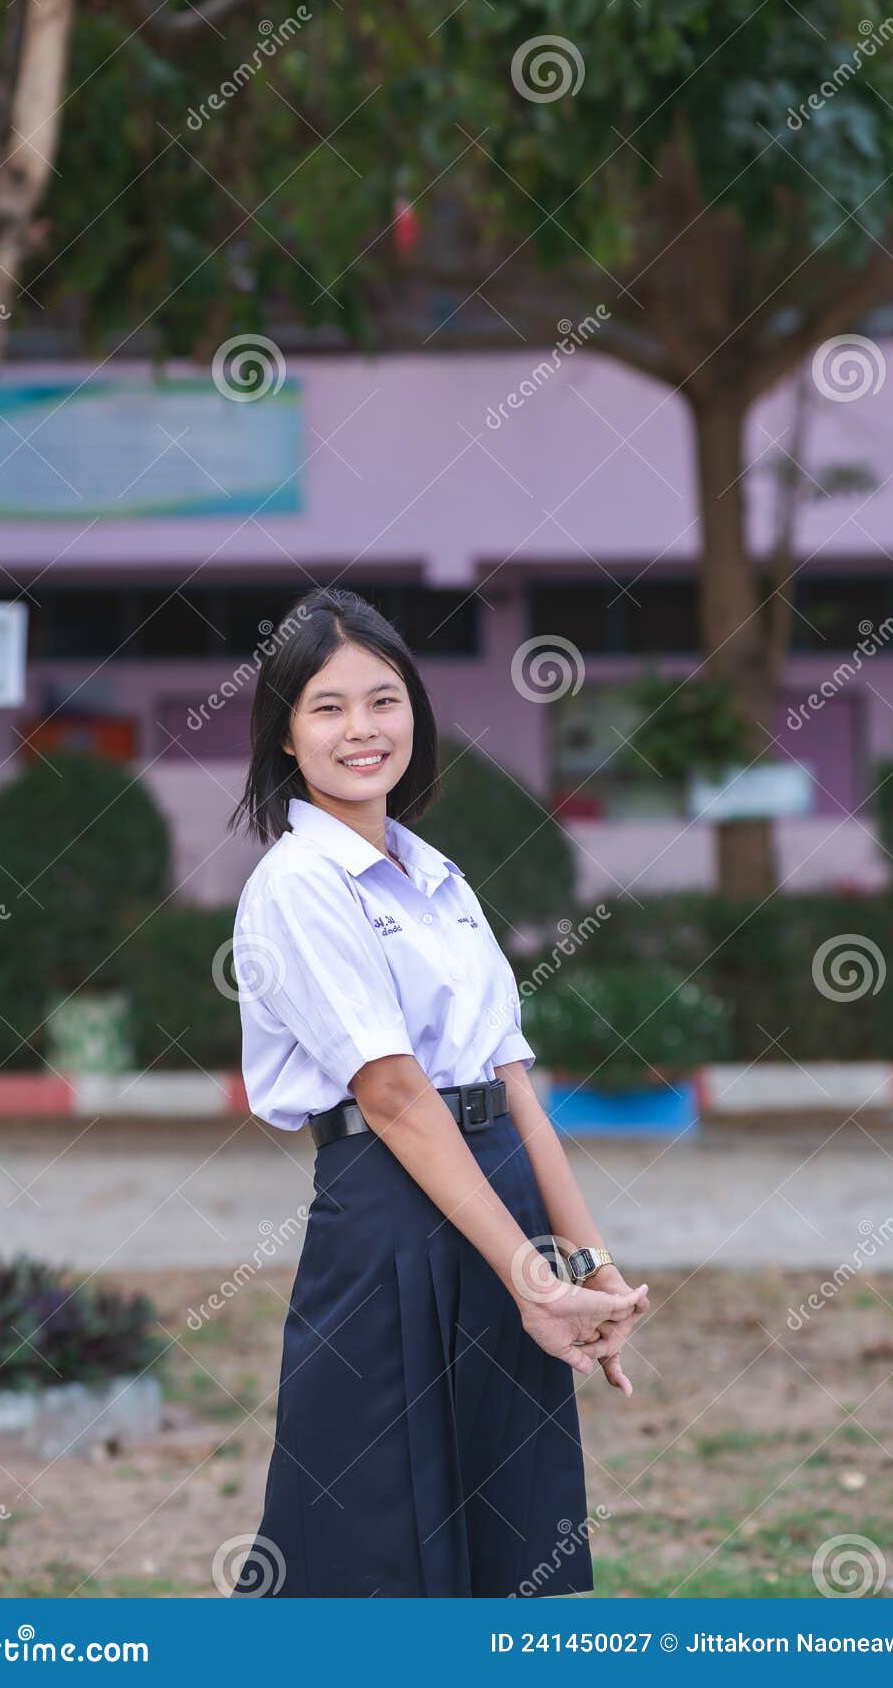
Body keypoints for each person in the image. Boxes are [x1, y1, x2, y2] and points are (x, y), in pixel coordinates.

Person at [225, 585, 649, 1598]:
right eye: (326, 706)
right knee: (366, 1537)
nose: (361, 729)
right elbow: (396, 1099)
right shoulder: (297, 883)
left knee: (508, 1536)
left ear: (414, 709)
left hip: (497, 1194)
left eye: (383, 699)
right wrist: (527, 1274)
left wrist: (581, 1263)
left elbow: (510, 1078)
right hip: (387, 1215)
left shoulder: (433, 874)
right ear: (285, 733)